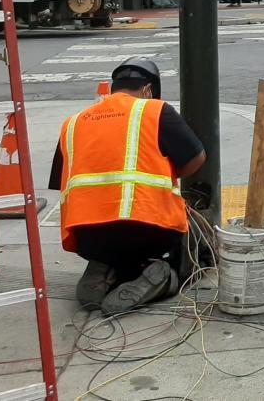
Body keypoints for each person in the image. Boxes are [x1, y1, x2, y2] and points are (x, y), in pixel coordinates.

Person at [49, 59, 206, 314]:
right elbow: (197, 158)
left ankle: (104, 266)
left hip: (86, 238)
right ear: (147, 90)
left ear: (113, 89)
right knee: (187, 253)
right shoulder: (154, 110)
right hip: (149, 234)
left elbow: (61, 181)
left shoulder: (73, 122)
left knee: (114, 245)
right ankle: (164, 277)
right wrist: (166, 174)